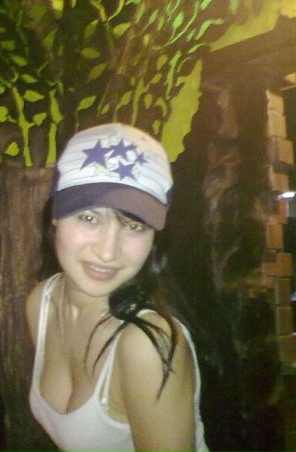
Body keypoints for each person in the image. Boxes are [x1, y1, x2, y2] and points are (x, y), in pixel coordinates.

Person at [26, 123, 209, 452]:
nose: (108, 252)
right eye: (89, 218)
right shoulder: (42, 302)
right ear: (56, 215)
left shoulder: (145, 344)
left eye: (134, 226)